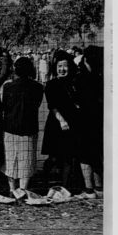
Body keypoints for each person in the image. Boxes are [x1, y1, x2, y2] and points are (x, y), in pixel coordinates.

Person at [0, 56, 44, 196]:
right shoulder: (38, 87)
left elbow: (4, 106)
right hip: (29, 126)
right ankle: (23, 189)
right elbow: (37, 105)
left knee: (10, 158)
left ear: (15, 69)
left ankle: (12, 189)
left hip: (10, 126)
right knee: (27, 158)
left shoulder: (8, 86)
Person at [41, 51, 80, 188]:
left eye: (65, 66)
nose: (62, 69)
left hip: (73, 122)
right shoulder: (51, 84)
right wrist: (62, 121)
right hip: (57, 123)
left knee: (69, 156)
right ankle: (45, 180)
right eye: (59, 66)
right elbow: (53, 106)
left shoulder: (74, 83)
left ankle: (65, 186)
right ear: (55, 68)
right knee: (54, 157)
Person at [74, 46, 104, 199]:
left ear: (85, 59)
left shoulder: (80, 78)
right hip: (99, 119)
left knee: (84, 155)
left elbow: (77, 101)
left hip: (83, 120)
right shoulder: (102, 77)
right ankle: (99, 186)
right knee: (97, 153)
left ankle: (89, 189)